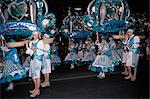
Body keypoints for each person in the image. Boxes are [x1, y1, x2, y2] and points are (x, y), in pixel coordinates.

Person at [26, 31, 44, 97]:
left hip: (37, 60)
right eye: (34, 35)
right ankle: (36, 89)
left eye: (36, 35)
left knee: (37, 75)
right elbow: (28, 52)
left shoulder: (40, 42)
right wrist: (27, 45)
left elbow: (41, 52)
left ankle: (37, 90)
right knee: (33, 76)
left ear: (38, 35)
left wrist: (35, 49)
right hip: (32, 60)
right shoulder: (31, 42)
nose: (35, 36)